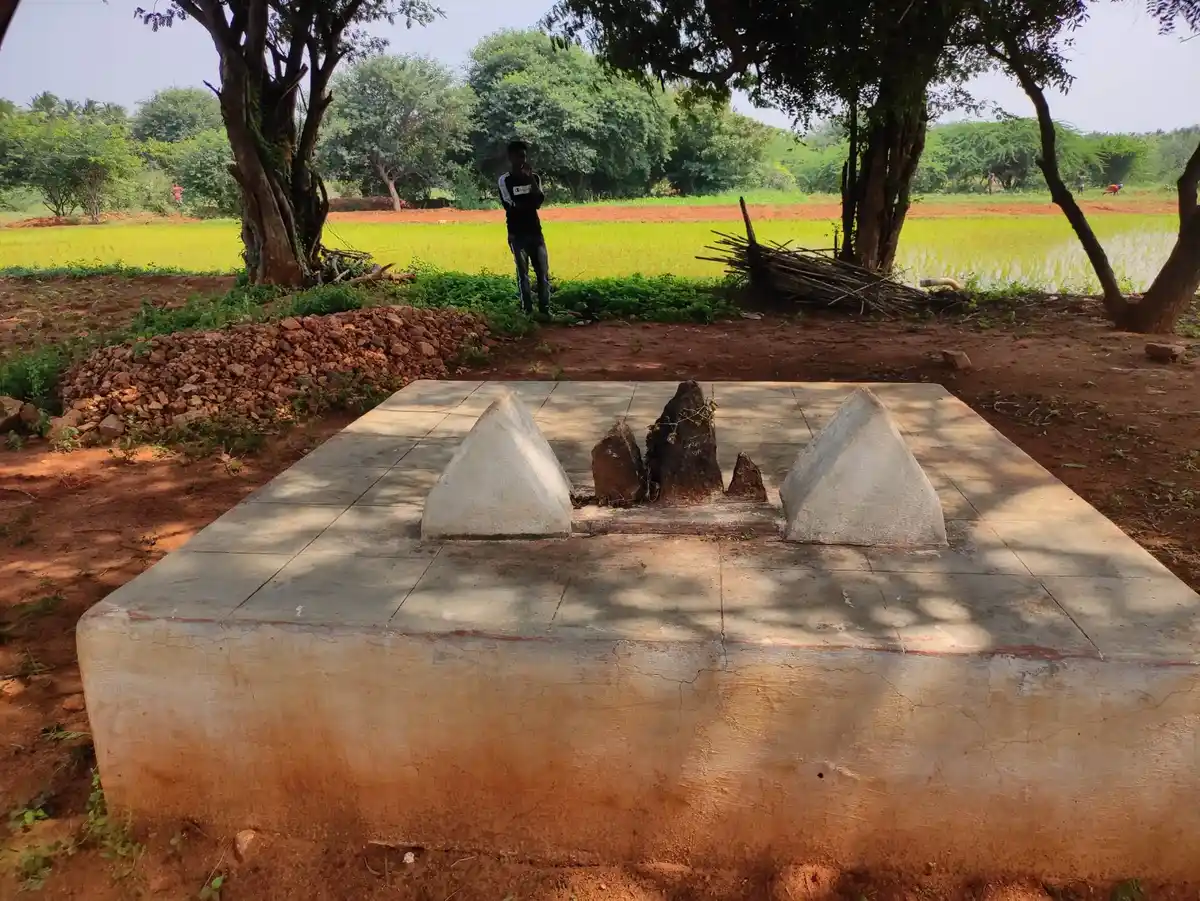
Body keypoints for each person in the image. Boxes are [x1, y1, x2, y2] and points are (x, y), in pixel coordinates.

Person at [498, 140, 550, 316]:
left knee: (543, 273)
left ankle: (545, 310)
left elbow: (539, 201)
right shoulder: (505, 180)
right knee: (523, 276)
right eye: (519, 156)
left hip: (536, 232)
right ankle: (527, 311)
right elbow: (510, 205)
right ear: (511, 158)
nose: (522, 160)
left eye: (524, 156)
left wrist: (530, 181)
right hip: (517, 234)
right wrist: (529, 202)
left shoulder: (534, 178)